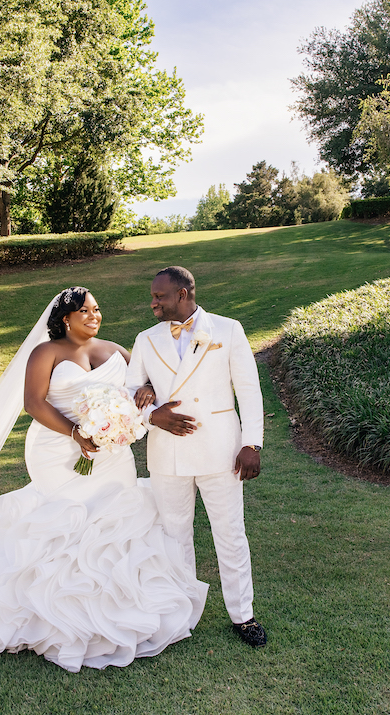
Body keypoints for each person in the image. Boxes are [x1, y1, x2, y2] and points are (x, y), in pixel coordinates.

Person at [0, 286, 206, 672]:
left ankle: (121, 608)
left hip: (112, 452)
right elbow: (34, 403)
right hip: (56, 449)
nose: (94, 316)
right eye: (85, 311)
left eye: (97, 309)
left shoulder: (116, 350)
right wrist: (76, 433)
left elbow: (142, 385)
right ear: (66, 318)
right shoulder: (47, 352)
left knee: (119, 515)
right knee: (67, 519)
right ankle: (49, 611)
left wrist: (144, 390)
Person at [125, 266, 268, 648]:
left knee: (230, 534)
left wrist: (252, 444)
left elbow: (250, 391)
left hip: (221, 450)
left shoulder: (228, 329)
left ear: (183, 294)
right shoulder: (145, 339)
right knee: (174, 535)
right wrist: (152, 415)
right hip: (167, 452)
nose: (153, 303)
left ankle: (243, 615)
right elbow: (129, 389)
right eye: (153, 297)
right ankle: (182, 614)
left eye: (160, 297)